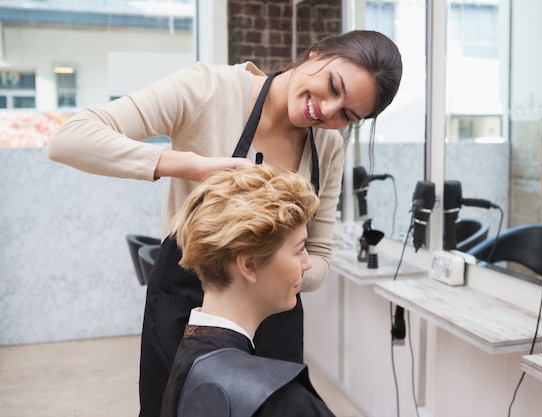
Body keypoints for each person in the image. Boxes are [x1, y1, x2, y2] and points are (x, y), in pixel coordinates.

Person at [47, 29, 402, 417]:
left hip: (276, 320)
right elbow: (70, 139)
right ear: (316, 54)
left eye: (347, 115)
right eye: (333, 86)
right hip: (187, 311)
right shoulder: (208, 90)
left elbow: (320, 256)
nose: (328, 111)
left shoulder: (329, 146)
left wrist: (287, 266)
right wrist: (194, 166)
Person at [159, 163, 334, 417]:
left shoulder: (185, 364)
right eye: (299, 250)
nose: (307, 263)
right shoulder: (284, 402)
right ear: (249, 264)